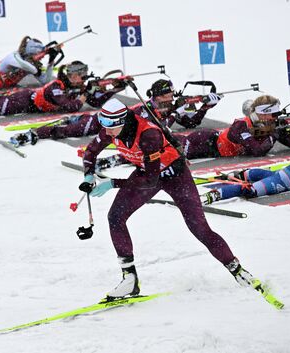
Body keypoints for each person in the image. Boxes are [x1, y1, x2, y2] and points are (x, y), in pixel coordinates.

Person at [78, 97, 256, 299]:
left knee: (199, 228)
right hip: (146, 173)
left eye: (110, 125)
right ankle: (129, 279)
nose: (106, 130)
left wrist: (112, 183)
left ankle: (237, 270)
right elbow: (91, 151)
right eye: (103, 123)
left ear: (122, 121)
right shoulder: (111, 129)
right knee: (115, 217)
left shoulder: (148, 134)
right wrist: (88, 174)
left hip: (175, 176)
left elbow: (151, 180)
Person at [11, 79, 221, 146]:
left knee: (77, 123)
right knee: (69, 130)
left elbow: (190, 124)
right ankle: (35, 133)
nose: (171, 98)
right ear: (157, 96)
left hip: (118, 129)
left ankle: (73, 118)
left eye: (172, 95)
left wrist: (204, 107)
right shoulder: (145, 107)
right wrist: (175, 111)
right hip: (105, 122)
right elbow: (158, 126)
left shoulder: (168, 108)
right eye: (168, 95)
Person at [0, 61, 123, 127]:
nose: (81, 77)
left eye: (82, 74)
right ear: (70, 75)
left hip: (29, 102)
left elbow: (96, 103)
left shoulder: (78, 88)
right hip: (22, 101)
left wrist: (115, 88)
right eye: (78, 74)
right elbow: (70, 106)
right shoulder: (56, 86)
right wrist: (85, 94)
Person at [174, 94, 290, 160]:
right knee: (168, 149)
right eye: (273, 115)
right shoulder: (240, 126)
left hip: (211, 147)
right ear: (263, 114)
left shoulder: (270, 126)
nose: (276, 118)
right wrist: (274, 134)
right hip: (201, 143)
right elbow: (257, 150)